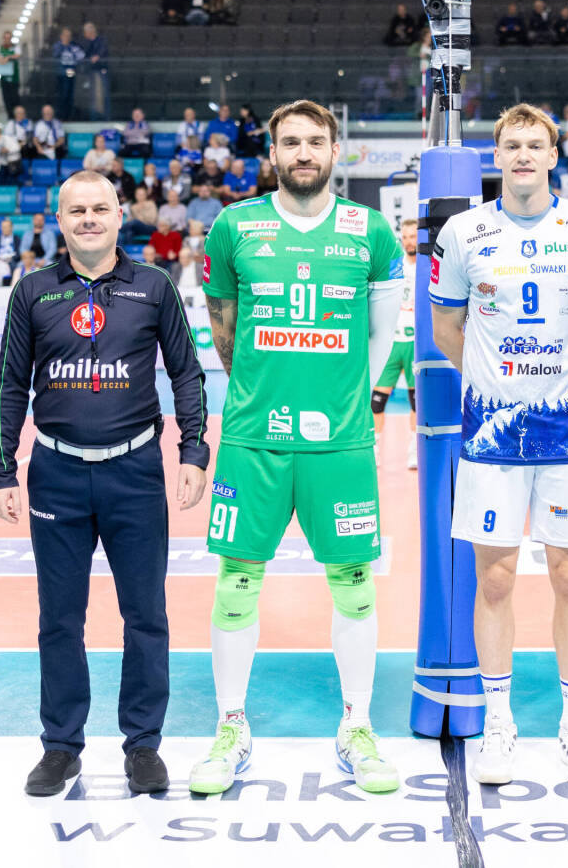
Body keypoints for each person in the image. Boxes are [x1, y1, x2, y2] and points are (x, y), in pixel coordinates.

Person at [193, 99, 405, 796]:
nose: (304, 152)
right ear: (273, 153)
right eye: (291, 142)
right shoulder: (235, 226)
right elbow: (225, 334)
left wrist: (345, 404)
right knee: (237, 580)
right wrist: (263, 392)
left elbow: (382, 339)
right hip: (253, 439)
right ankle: (230, 725)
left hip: (339, 444)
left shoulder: (371, 232)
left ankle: (357, 724)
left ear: (335, 150)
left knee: (353, 582)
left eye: (316, 141)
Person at [0, 168, 209, 794]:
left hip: (134, 473)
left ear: (119, 215)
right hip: (55, 473)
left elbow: (186, 373)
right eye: (77, 211)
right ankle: (61, 746)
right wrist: (0, 469)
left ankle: (143, 744)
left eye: (100, 209)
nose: (89, 219)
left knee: (146, 615)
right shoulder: (33, 291)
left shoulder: (154, 286)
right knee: (59, 618)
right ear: (59, 220)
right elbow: (9, 384)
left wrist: (193, 452)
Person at [431, 103, 568, 788]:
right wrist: (500, 390)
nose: (522, 155)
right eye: (511, 145)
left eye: (534, 145)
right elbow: (447, 329)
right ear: (496, 155)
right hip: (490, 437)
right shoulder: (463, 232)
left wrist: (562, 391)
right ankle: (498, 722)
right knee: (495, 579)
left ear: (552, 155)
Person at [371, 218, 419, 469]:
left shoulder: (427, 267)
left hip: (414, 343)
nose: (410, 241)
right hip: (392, 341)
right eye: (406, 237)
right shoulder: (394, 265)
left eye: (414, 236)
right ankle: (374, 447)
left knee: (416, 400)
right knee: (377, 400)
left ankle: (414, 450)